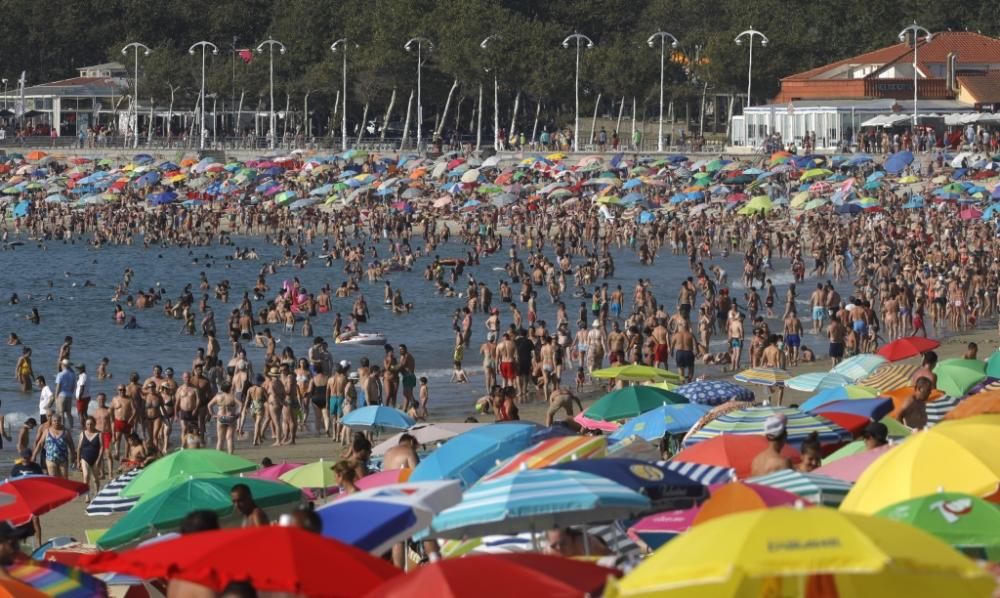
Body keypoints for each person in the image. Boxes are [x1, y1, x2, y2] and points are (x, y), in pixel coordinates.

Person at [77, 416, 103, 501]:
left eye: (91, 424)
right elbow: (79, 448)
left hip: (95, 459)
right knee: (86, 476)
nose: (89, 426)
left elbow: (102, 447)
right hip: (84, 458)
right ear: (85, 425)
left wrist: (99, 459)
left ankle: (97, 493)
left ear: (95, 424)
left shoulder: (99, 434)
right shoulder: (82, 434)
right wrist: (78, 461)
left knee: (95, 479)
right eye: (87, 424)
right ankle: (87, 495)